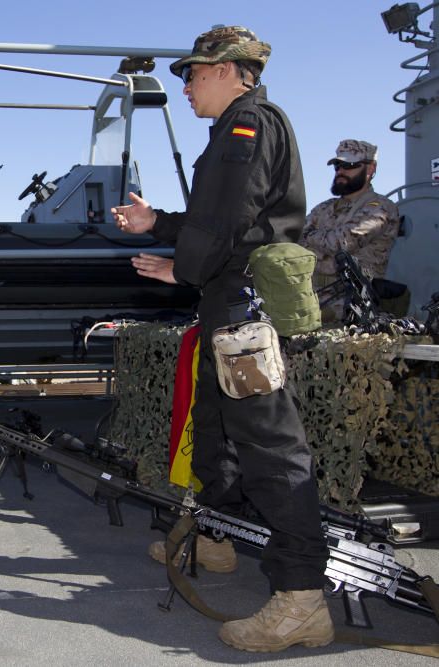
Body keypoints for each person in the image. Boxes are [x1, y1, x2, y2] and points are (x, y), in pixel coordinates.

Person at [111, 27, 333, 652]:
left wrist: (183, 266)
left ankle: (300, 598)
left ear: (235, 71)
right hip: (227, 305)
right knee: (215, 432)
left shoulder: (247, 125)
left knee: (271, 447)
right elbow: (226, 219)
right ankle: (217, 539)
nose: (185, 85)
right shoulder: (235, 129)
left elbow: (232, 220)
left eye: (196, 73)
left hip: (244, 312)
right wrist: (161, 225)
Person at [301, 139, 401, 321]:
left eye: (349, 165)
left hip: (350, 306)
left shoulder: (381, 207)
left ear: (370, 169)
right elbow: (295, 241)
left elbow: (342, 243)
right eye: (338, 165)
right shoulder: (323, 208)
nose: (340, 171)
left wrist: (310, 238)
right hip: (311, 298)